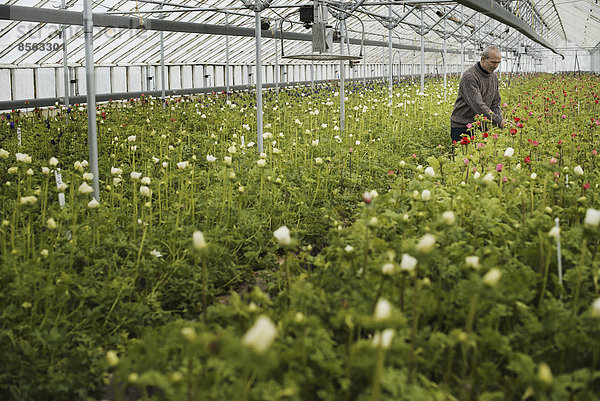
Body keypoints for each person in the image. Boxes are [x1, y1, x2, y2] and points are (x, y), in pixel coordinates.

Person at [450, 45, 507, 143]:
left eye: (498, 63)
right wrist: (498, 121)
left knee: (479, 157)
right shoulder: (470, 77)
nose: (496, 66)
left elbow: (496, 102)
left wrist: (499, 120)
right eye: (493, 62)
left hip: (480, 125)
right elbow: (477, 105)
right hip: (463, 126)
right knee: (461, 156)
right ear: (483, 59)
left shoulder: (493, 77)